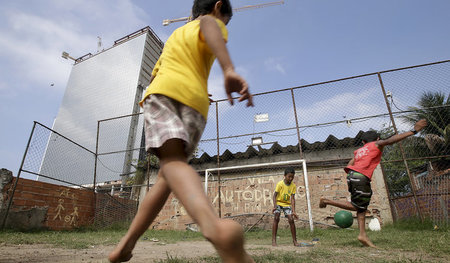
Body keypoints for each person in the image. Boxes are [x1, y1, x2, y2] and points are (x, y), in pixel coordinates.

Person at [108, 1, 254, 262]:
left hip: (165, 95)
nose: (222, 25)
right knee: (168, 175)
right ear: (218, 6)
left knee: (172, 164)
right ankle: (127, 243)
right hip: (197, 105)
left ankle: (213, 227)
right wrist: (228, 70)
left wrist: (228, 70)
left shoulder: (176, 36)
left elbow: (156, 77)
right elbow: (210, 25)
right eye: (225, 20)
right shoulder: (209, 22)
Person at [319, 119, 428, 248]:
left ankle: (362, 235)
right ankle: (327, 201)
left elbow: (349, 165)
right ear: (377, 138)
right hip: (361, 177)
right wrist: (413, 131)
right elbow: (390, 141)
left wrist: (352, 176)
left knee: (361, 208)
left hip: (352, 176)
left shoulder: (359, 151)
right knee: (357, 207)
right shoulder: (376, 144)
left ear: (363, 142)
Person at [272, 167, 300, 247]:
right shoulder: (280, 184)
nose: (291, 178)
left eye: (292, 177)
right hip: (278, 203)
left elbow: (293, 199)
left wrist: (294, 211)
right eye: (289, 177)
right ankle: (274, 240)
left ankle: (295, 241)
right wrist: (275, 206)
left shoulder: (293, 186)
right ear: (285, 176)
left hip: (287, 204)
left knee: (291, 219)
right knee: (276, 217)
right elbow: (274, 196)